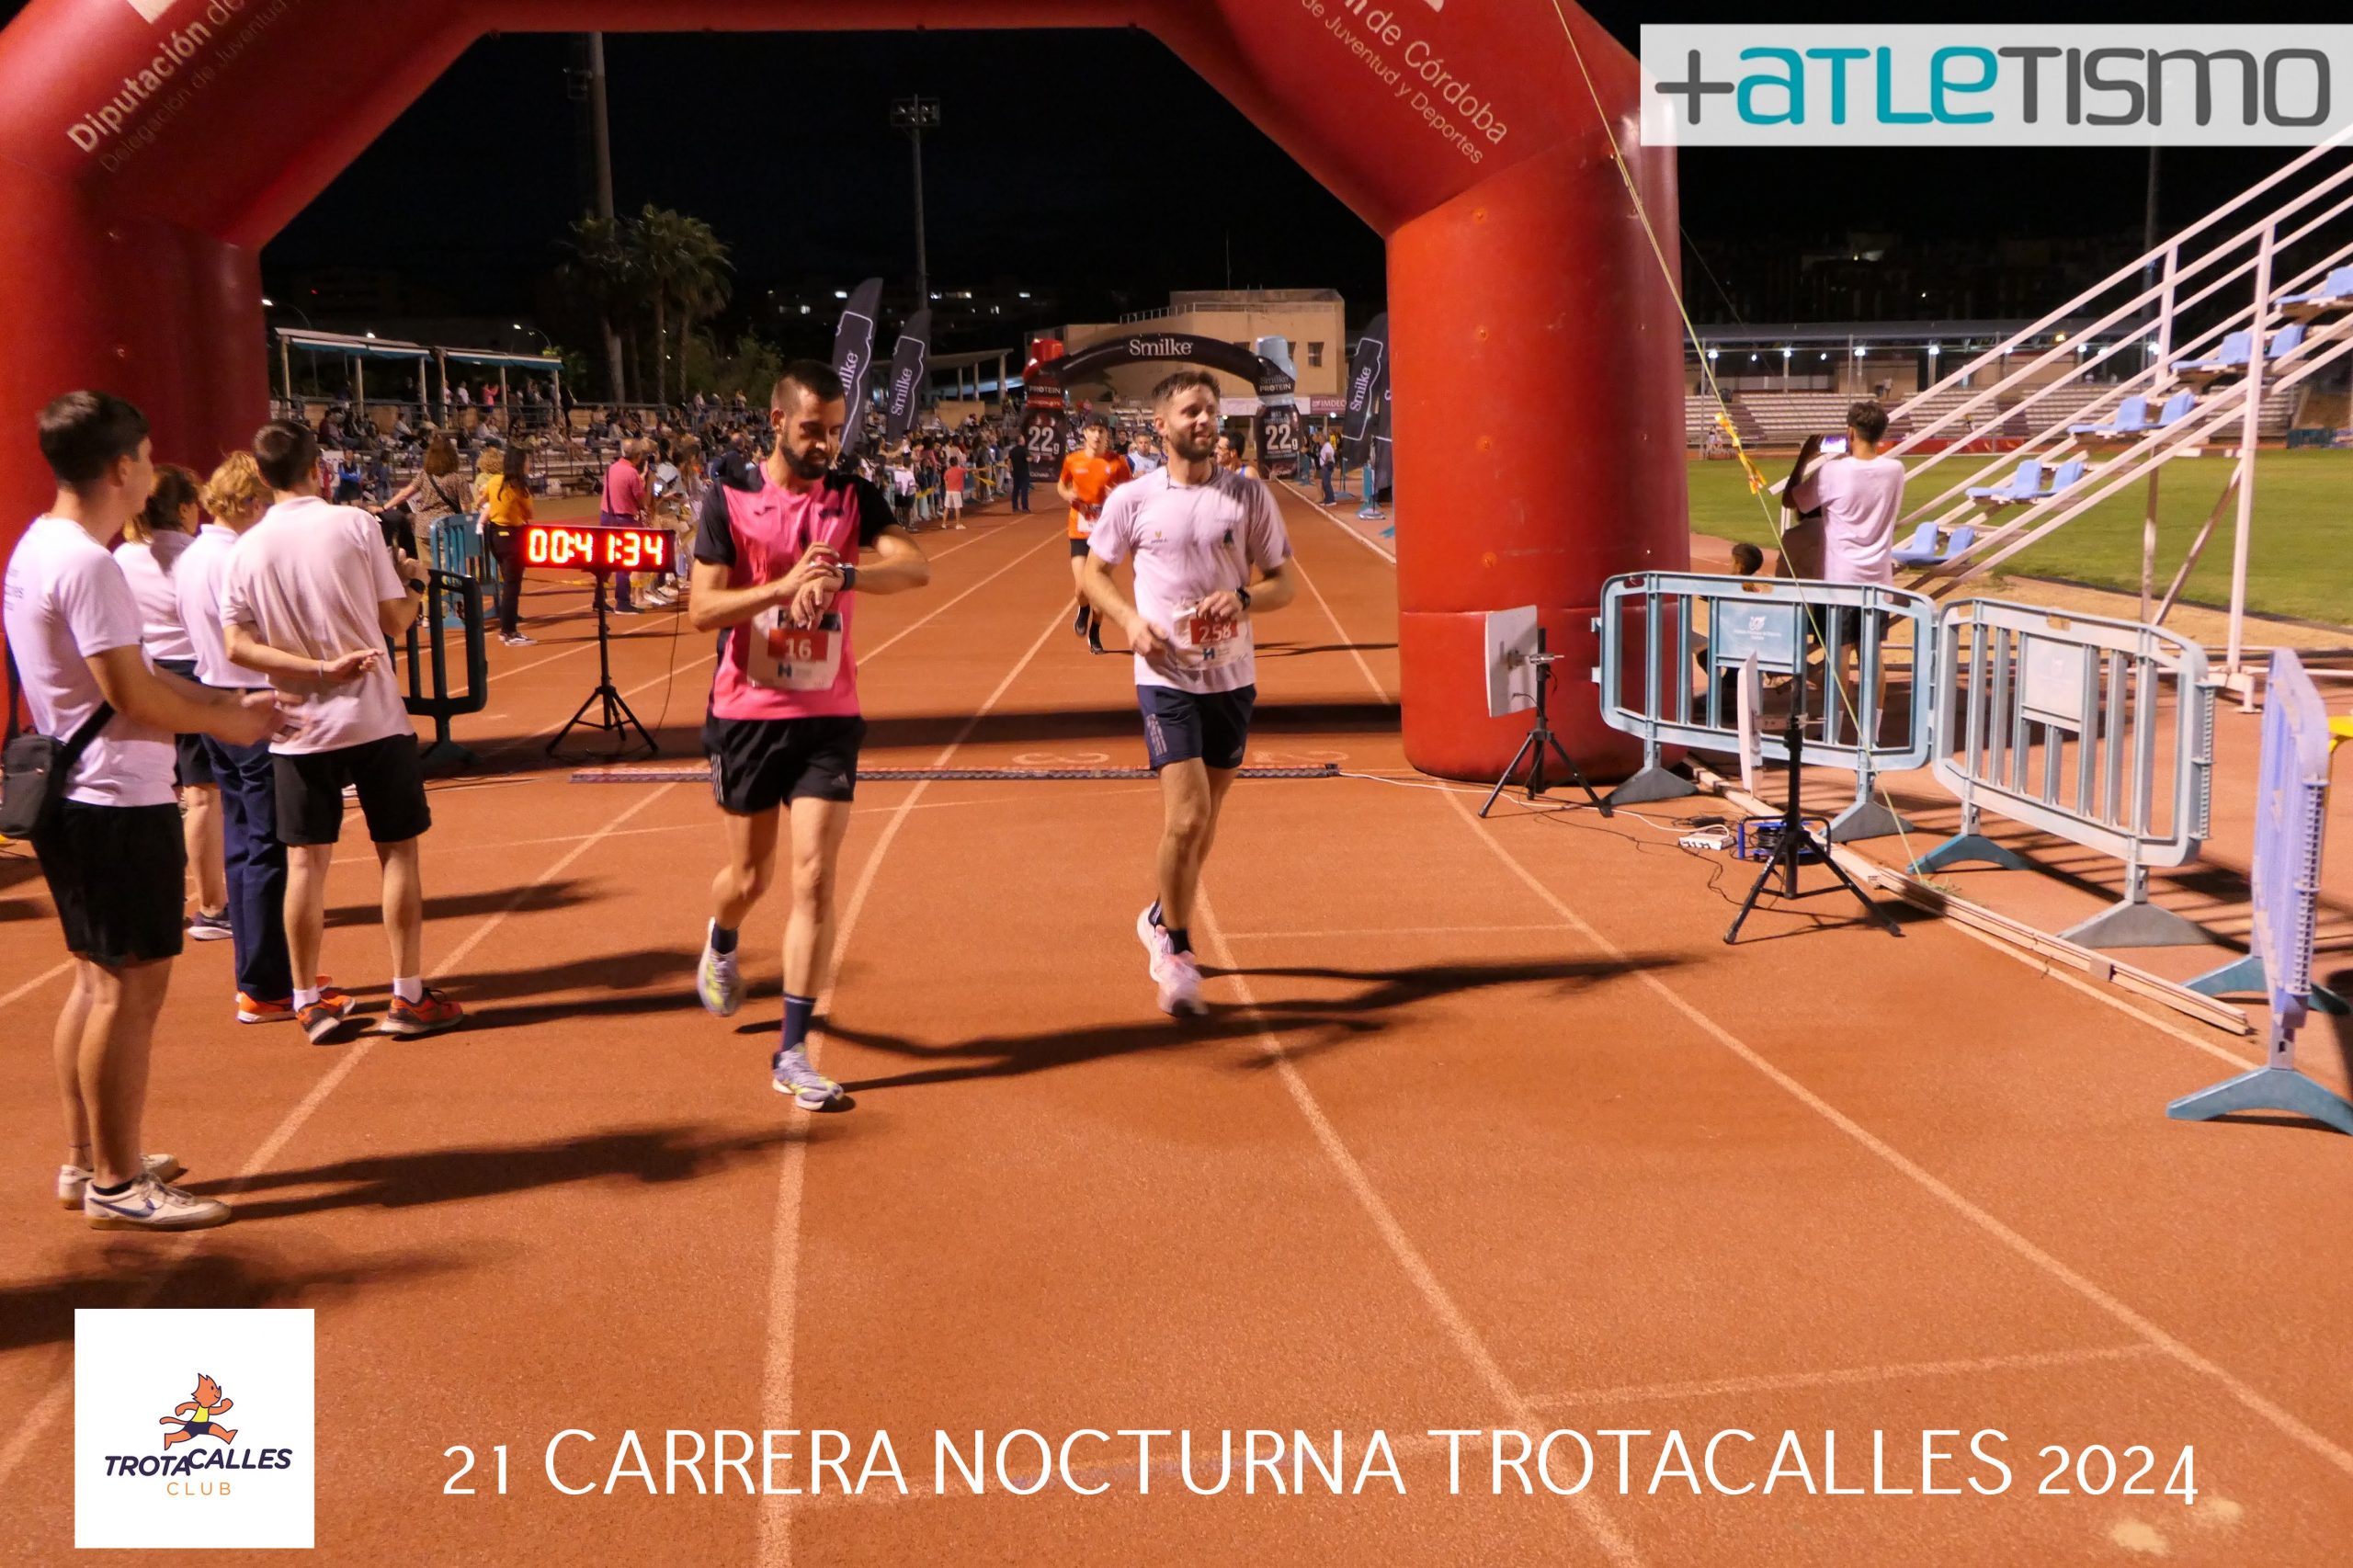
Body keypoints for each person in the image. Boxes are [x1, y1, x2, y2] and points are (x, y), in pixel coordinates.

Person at [6, 392, 282, 1230]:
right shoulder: (89, 565)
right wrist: (228, 721)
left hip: (75, 791)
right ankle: (117, 1181)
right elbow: (132, 693)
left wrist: (216, 703)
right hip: (113, 798)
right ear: (122, 467)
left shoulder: (39, 545)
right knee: (127, 993)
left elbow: (125, 674)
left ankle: (88, 1159)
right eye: (151, 456)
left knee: (97, 982)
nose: (157, 471)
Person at [688, 361, 931, 1107]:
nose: (825, 444)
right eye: (811, 430)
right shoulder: (729, 496)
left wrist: (844, 576)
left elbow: (915, 568)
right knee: (750, 879)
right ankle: (722, 936)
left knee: (815, 878)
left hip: (827, 716)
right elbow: (702, 609)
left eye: (834, 431)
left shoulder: (852, 496)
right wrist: (783, 586)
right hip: (747, 714)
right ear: (776, 422)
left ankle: (792, 1052)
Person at [222, 419, 463, 1044]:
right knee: (397, 852)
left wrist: (311, 671)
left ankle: (307, 1000)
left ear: (262, 477)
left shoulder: (244, 548)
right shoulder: (354, 524)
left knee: (304, 864)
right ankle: (407, 994)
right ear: (318, 470)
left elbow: (236, 645)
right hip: (372, 716)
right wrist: (415, 582)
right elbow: (396, 620)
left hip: (299, 725)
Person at [1081, 369, 1296, 1017]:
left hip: (1231, 677)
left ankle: (1158, 912)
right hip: (1165, 677)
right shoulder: (1134, 499)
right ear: (1161, 425)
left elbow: (1284, 583)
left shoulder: (1248, 497)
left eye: (1210, 410)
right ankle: (1175, 951)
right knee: (1187, 817)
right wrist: (1129, 621)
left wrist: (1244, 598)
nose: (1204, 420)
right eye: (1190, 411)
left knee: (1208, 818)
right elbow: (1093, 573)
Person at [112, 464, 229, 941]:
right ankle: (213, 907)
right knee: (203, 797)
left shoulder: (122, 556)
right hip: (193, 676)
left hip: (143, 676)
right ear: (183, 508)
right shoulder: (195, 557)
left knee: (153, 793)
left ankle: (151, 903)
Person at [1789, 400, 1904, 727]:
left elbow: (1793, 500)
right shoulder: (1896, 470)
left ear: (1850, 432)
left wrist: (1804, 458)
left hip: (1839, 579)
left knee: (1838, 654)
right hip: (1877, 578)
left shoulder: (1833, 471)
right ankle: (1872, 731)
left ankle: (1835, 729)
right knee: (1872, 655)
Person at [1056, 418, 1131, 654]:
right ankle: (1083, 609)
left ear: (1107, 435)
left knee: (1099, 590)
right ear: (1085, 433)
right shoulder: (1073, 460)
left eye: (1101, 431)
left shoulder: (1118, 462)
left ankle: (1095, 630)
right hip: (1079, 529)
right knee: (1082, 587)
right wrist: (1067, 495)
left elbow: (1131, 493)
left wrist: (1117, 493)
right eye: (1093, 430)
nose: (1097, 435)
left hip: (1106, 531)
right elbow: (1061, 486)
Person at [473, 445, 535, 645]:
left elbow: (480, 500)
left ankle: (508, 628)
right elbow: (529, 513)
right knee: (512, 586)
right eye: (527, 461)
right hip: (512, 537)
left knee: (509, 583)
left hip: (495, 535)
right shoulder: (519, 488)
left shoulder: (494, 481)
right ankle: (508, 631)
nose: (529, 464)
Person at [381, 433, 470, 562]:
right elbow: (466, 508)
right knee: (446, 567)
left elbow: (404, 494)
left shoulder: (424, 475)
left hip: (423, 528)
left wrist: (384, 507)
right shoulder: (458, 479)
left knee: (426, 567)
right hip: (447, 528)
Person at [1007, 430, 1031, 513]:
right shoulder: (1025, 450)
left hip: (1016, 472)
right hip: (1024, 473)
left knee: (1016, 490)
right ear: (1021, 440)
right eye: (1023, 438)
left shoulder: (1012, 450)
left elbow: (1009, 461)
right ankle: (1025, 507)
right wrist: (1033, 458)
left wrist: (1009, 470)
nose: (1024, 440)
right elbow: (1028, 459)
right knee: (1024, 490)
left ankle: (1015, 507)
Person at [943, 454, 967, 528]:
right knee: (957, 508)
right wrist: (982, 469)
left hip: (948, 491)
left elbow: (946, 482)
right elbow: (970, 470)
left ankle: (944, 524)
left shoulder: (947, 471)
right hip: (956, 491)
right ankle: (958, 524)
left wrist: (947, 489)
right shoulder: (960, 470)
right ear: (957, 462)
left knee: (946, 508)